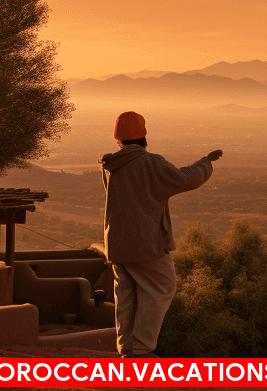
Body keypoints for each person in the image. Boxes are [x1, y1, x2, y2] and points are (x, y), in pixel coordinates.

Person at [100, 111, 222, 358]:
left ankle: (127, 350)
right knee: (161, 288)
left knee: (126, 296)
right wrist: (205, 161)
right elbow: (183, 179)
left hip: (117, 243)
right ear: (143, 135)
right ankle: (143, 350)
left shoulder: (109, 165)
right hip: (146, 242)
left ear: (118, 138)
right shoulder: (150, 162)